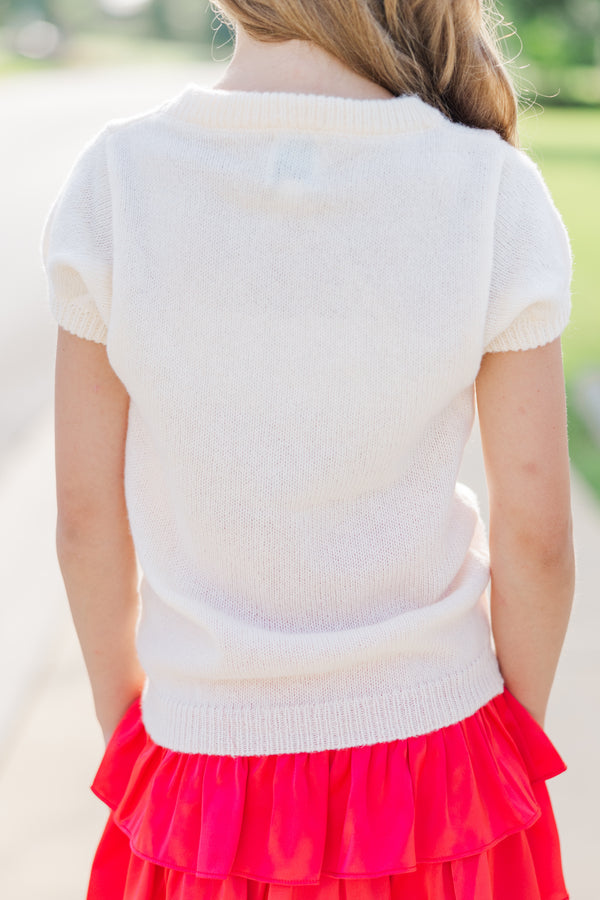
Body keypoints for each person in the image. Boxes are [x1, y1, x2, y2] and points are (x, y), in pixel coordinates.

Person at [40, 0, 576, 897]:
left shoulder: (117, 182)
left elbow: (86, 521)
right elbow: (539, 538)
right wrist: (503, 742)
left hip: (202, 780)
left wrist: (135, 723)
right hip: (440, 776)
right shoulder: (488, 187)